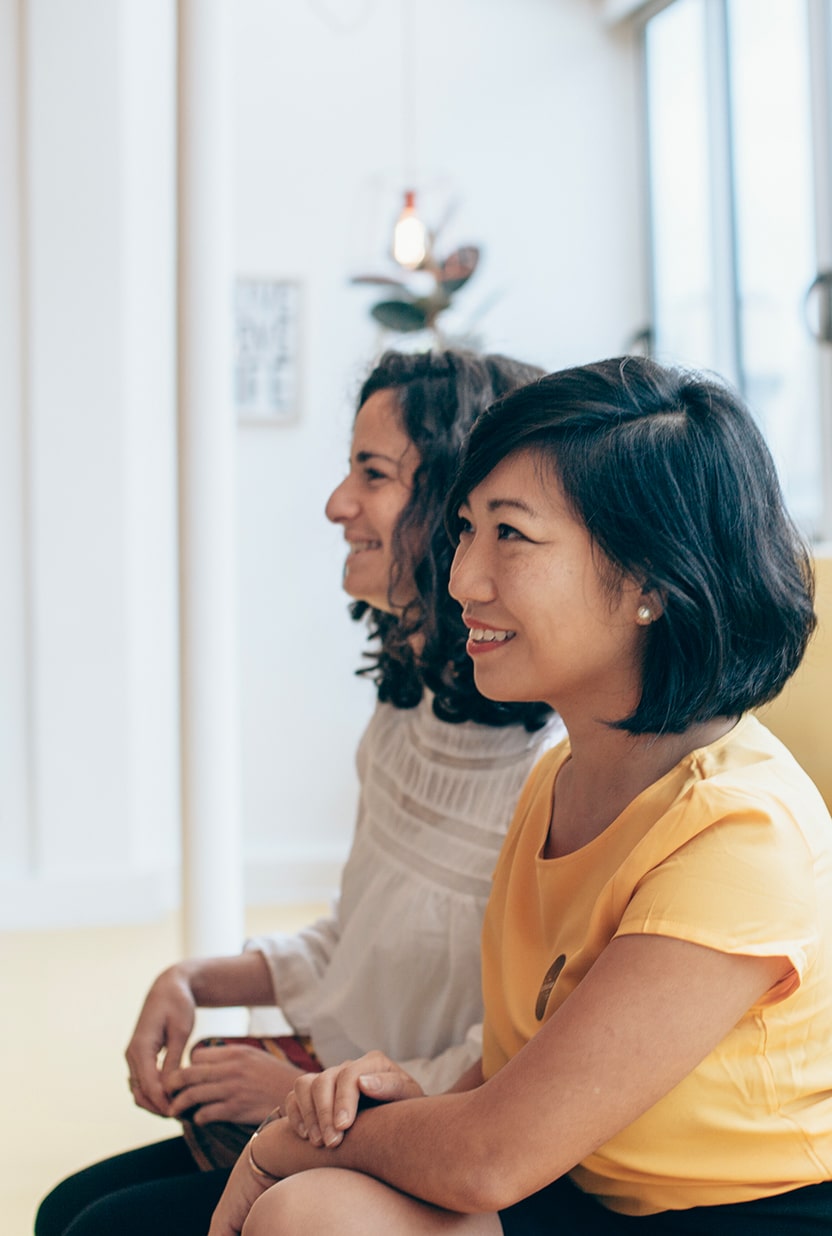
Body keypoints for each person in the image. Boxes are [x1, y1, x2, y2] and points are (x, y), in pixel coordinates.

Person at [206, 355, 832, 1236]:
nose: (463, 578)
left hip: (729, 1216)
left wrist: (287, 1139)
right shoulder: (558, 779)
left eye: (512, 535)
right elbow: (514, 1091)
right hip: (574, 1187)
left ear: (651, 580)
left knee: (305, 1210)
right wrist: (410, 1100)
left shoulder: (741, 835)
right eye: (466, 529)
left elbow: (494, 1154)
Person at [35, 349, 563, 1236]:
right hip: (331, 1103)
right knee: (69, 1210)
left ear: (452, 510)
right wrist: (193, 978)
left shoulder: (549, 768)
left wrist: (296, 1096)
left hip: (410, 1141)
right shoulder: (406, 716)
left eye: (373, 475)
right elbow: (354, 938)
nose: (335, 504)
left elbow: (511, 1070)